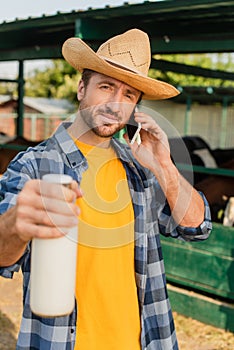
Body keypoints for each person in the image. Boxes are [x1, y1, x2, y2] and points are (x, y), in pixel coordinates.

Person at [0, 29, 212, 350]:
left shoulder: (140, 168)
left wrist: (165, 166)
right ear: (81, 87)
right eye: (106, 86)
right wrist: (15, 223)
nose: (115, 104)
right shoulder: (33, 166)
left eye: (128, 95)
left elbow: (197, 227)